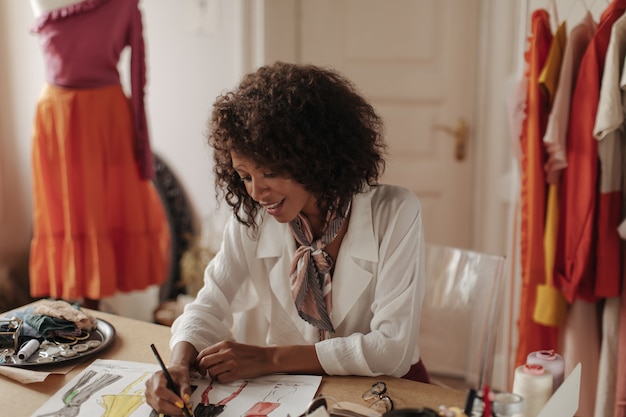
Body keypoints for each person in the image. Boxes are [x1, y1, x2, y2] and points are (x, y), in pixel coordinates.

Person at [145, 62, 428, 416]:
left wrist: (269, 358)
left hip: (385, 392)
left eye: (271, 172)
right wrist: (178, 363)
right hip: (294, 393)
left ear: (315, 159)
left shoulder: (395, 212)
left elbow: (393, 349)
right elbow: (210, 303)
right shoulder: (252, 217)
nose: (256, 192)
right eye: (244, 175)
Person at [27, 0, 170, 310]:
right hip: (57, 120)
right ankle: (73, 312)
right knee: (66, 209)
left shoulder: (124, 3)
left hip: (106, 120)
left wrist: (141, 141)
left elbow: (138, 73)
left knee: (102, 210)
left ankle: (92, 307)